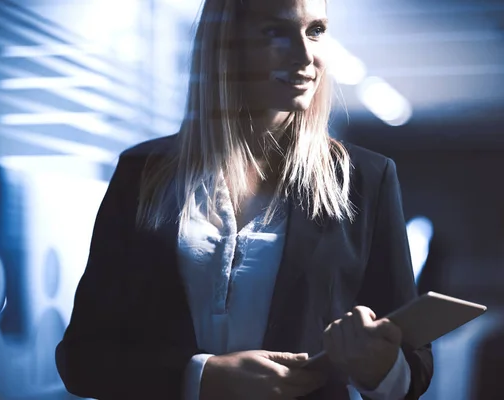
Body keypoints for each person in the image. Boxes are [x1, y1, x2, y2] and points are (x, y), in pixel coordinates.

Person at [55, 0, 434, 398]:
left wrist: (379, 367)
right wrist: (202, 377)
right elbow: (83, 358)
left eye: (316, 31)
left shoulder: (364, 180)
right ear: (226, 46)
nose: (306, 55)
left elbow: (415, 367)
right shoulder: (142, 173)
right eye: (276, 31)